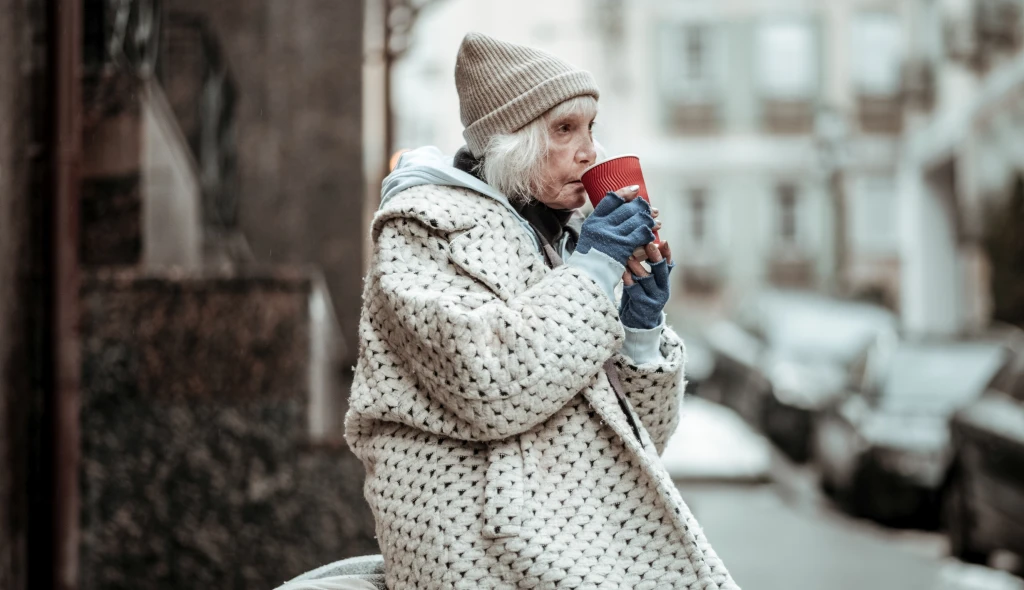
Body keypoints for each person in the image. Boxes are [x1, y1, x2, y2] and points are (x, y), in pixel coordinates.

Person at [344, 32, 740, 590]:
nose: (589, 152)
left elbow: (638, 439)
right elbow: (491, 384)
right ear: (512, 141)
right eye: (564, 130)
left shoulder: (562, 243)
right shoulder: (422, 228)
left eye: (590, 129)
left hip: (573, 532)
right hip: (482, 544)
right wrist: (595, 270)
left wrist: (639, 330)